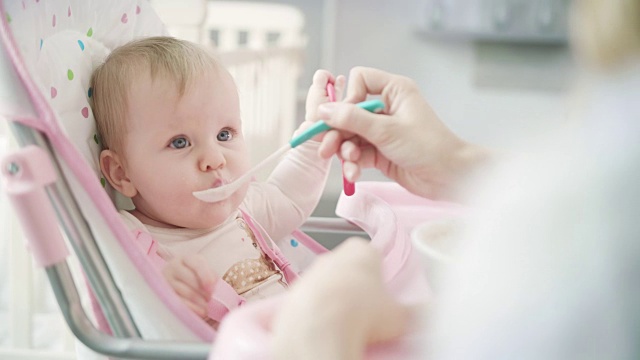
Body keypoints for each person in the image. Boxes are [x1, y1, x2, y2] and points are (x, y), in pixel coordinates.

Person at [265, 0, 640, 358]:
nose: (212, 160)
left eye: (226, 134)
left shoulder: (576, 228)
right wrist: (455, 163)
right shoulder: (584, 211)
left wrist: (320, 335)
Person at [90, 36, 345, 326]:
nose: (215, 158)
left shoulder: (242, 208)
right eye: (180, 142)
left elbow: (289, 195)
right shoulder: (126, 237)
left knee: (356, 265)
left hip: (300, 331)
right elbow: (115, 302)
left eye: (224, 134)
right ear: (122, 173)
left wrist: (316, 131)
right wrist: (161, 291)